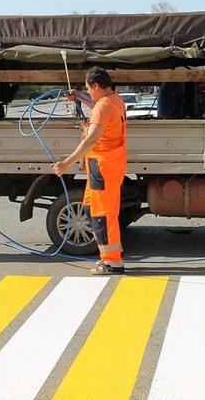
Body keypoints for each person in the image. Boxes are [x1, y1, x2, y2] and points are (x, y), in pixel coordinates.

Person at [53, 67, 127, 275]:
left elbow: (91, 138)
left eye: (88, 89)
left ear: (96, 86)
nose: (89, 93)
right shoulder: (114, 99)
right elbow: (97, 105)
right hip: (107, 165)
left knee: (103, 215)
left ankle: (113, 262)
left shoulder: (104, 107)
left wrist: (66, 163)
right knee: (90, 209)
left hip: (102, 166)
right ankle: (112, 254)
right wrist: (79, 97)